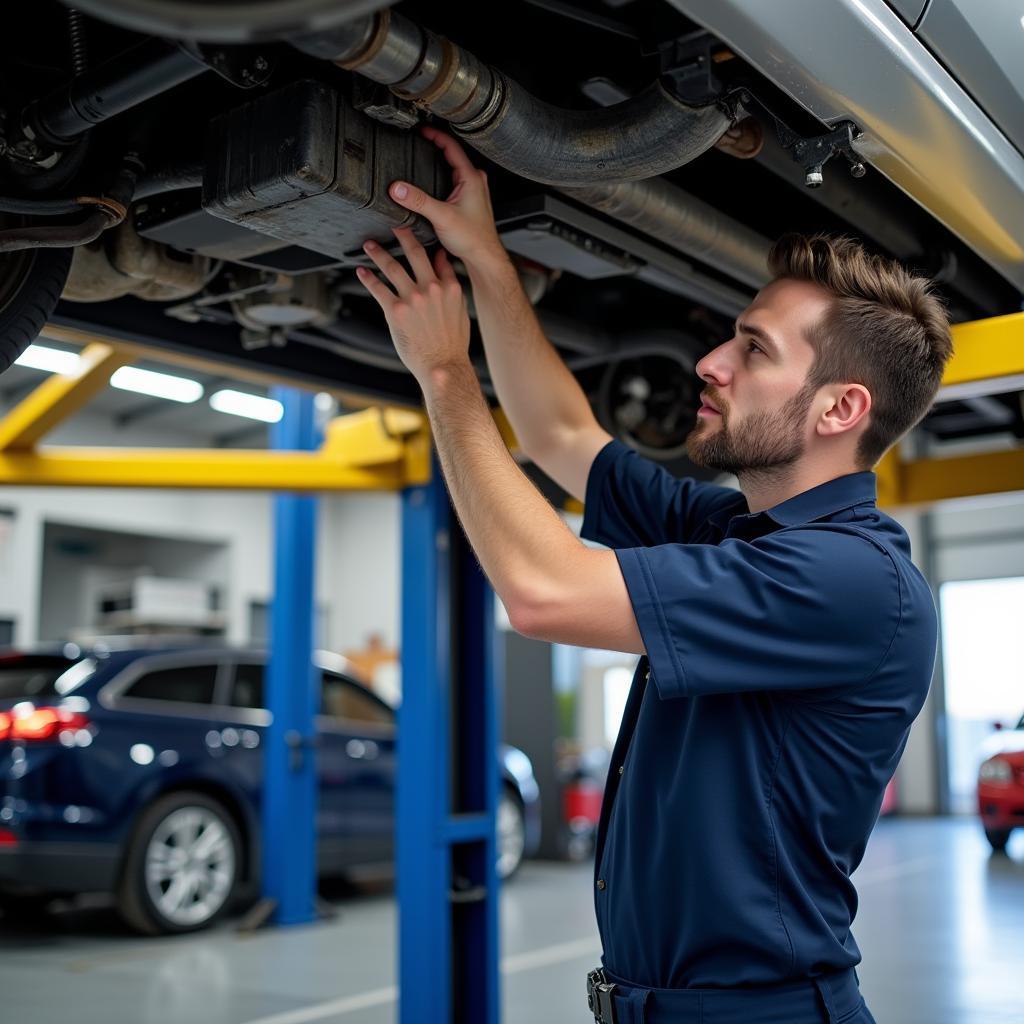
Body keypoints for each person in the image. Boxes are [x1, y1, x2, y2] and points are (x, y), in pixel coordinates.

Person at [356, 126, 953, 1024]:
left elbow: (542, 590)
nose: (711, 363)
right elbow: (564, 438)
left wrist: (445, 372)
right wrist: (485, 259)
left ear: (841, 408)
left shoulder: (852, 582)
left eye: (754, 350)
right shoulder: (739, 535)